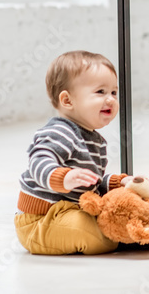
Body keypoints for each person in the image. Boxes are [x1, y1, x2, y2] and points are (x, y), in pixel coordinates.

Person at [14, 50, 129, 254]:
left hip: (69, 211)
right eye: (100, 92)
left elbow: (90, 182)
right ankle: (119, 235)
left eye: (114, 92)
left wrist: (117, 183)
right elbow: (38, 164)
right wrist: (64, 177)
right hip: (41, 221)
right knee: (94, 234)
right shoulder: (60, 132)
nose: (110, 99)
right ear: (67, 101)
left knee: (122, 212)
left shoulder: (95, 140)